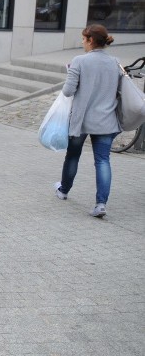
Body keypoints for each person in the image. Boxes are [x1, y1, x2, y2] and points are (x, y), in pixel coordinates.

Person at [55, 25, 121, 218]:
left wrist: (72, 74)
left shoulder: (79, 61)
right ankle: (101, 204)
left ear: (90, 40)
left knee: (73, 156)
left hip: (82, 120)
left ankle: (64, 190)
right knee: (102, 161)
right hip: (107, 120)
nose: (82, 43)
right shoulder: (115, 62)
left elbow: (68, 91)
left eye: (83, 39)